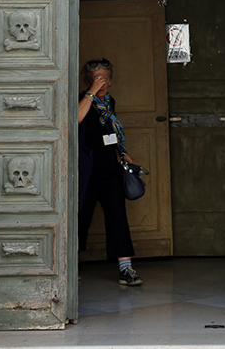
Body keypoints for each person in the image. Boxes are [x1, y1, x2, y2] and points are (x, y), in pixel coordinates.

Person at [78, 57, 143, 286]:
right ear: (88, 80)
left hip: (109, 167)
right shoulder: (81, 100)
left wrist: (124, 154)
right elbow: (75, 118)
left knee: (117, 214)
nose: (102, 82)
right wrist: (91, 92)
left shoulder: (110, 103)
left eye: (105, 78)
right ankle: (68, 265)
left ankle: (125, 268)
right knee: (80, 216)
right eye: (97, 78)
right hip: (85, 169)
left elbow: (111, 131)